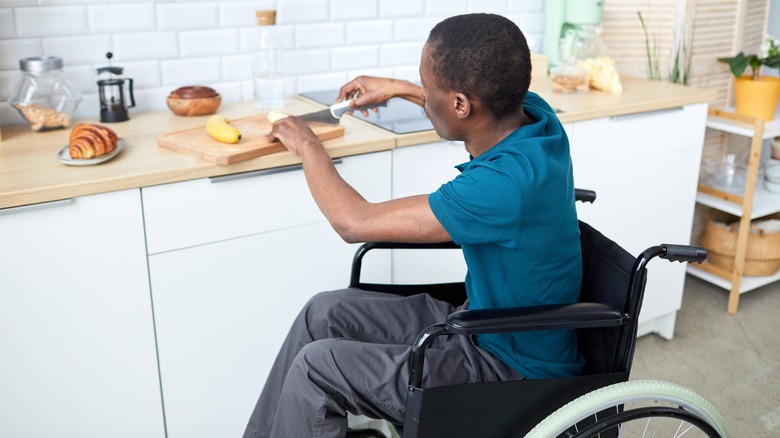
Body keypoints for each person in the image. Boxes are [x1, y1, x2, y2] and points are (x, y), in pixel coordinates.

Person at [243, 13, 584, 438]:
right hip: (478, 320)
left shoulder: (503, 186)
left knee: (318, 368)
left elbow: (353, 222)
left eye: (426, 87)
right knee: (322, 312)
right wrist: (399, 88)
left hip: (507, 365)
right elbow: (469, 99)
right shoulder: (533, 115)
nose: (422, 94)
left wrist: (308, 143)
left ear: (461, 104)